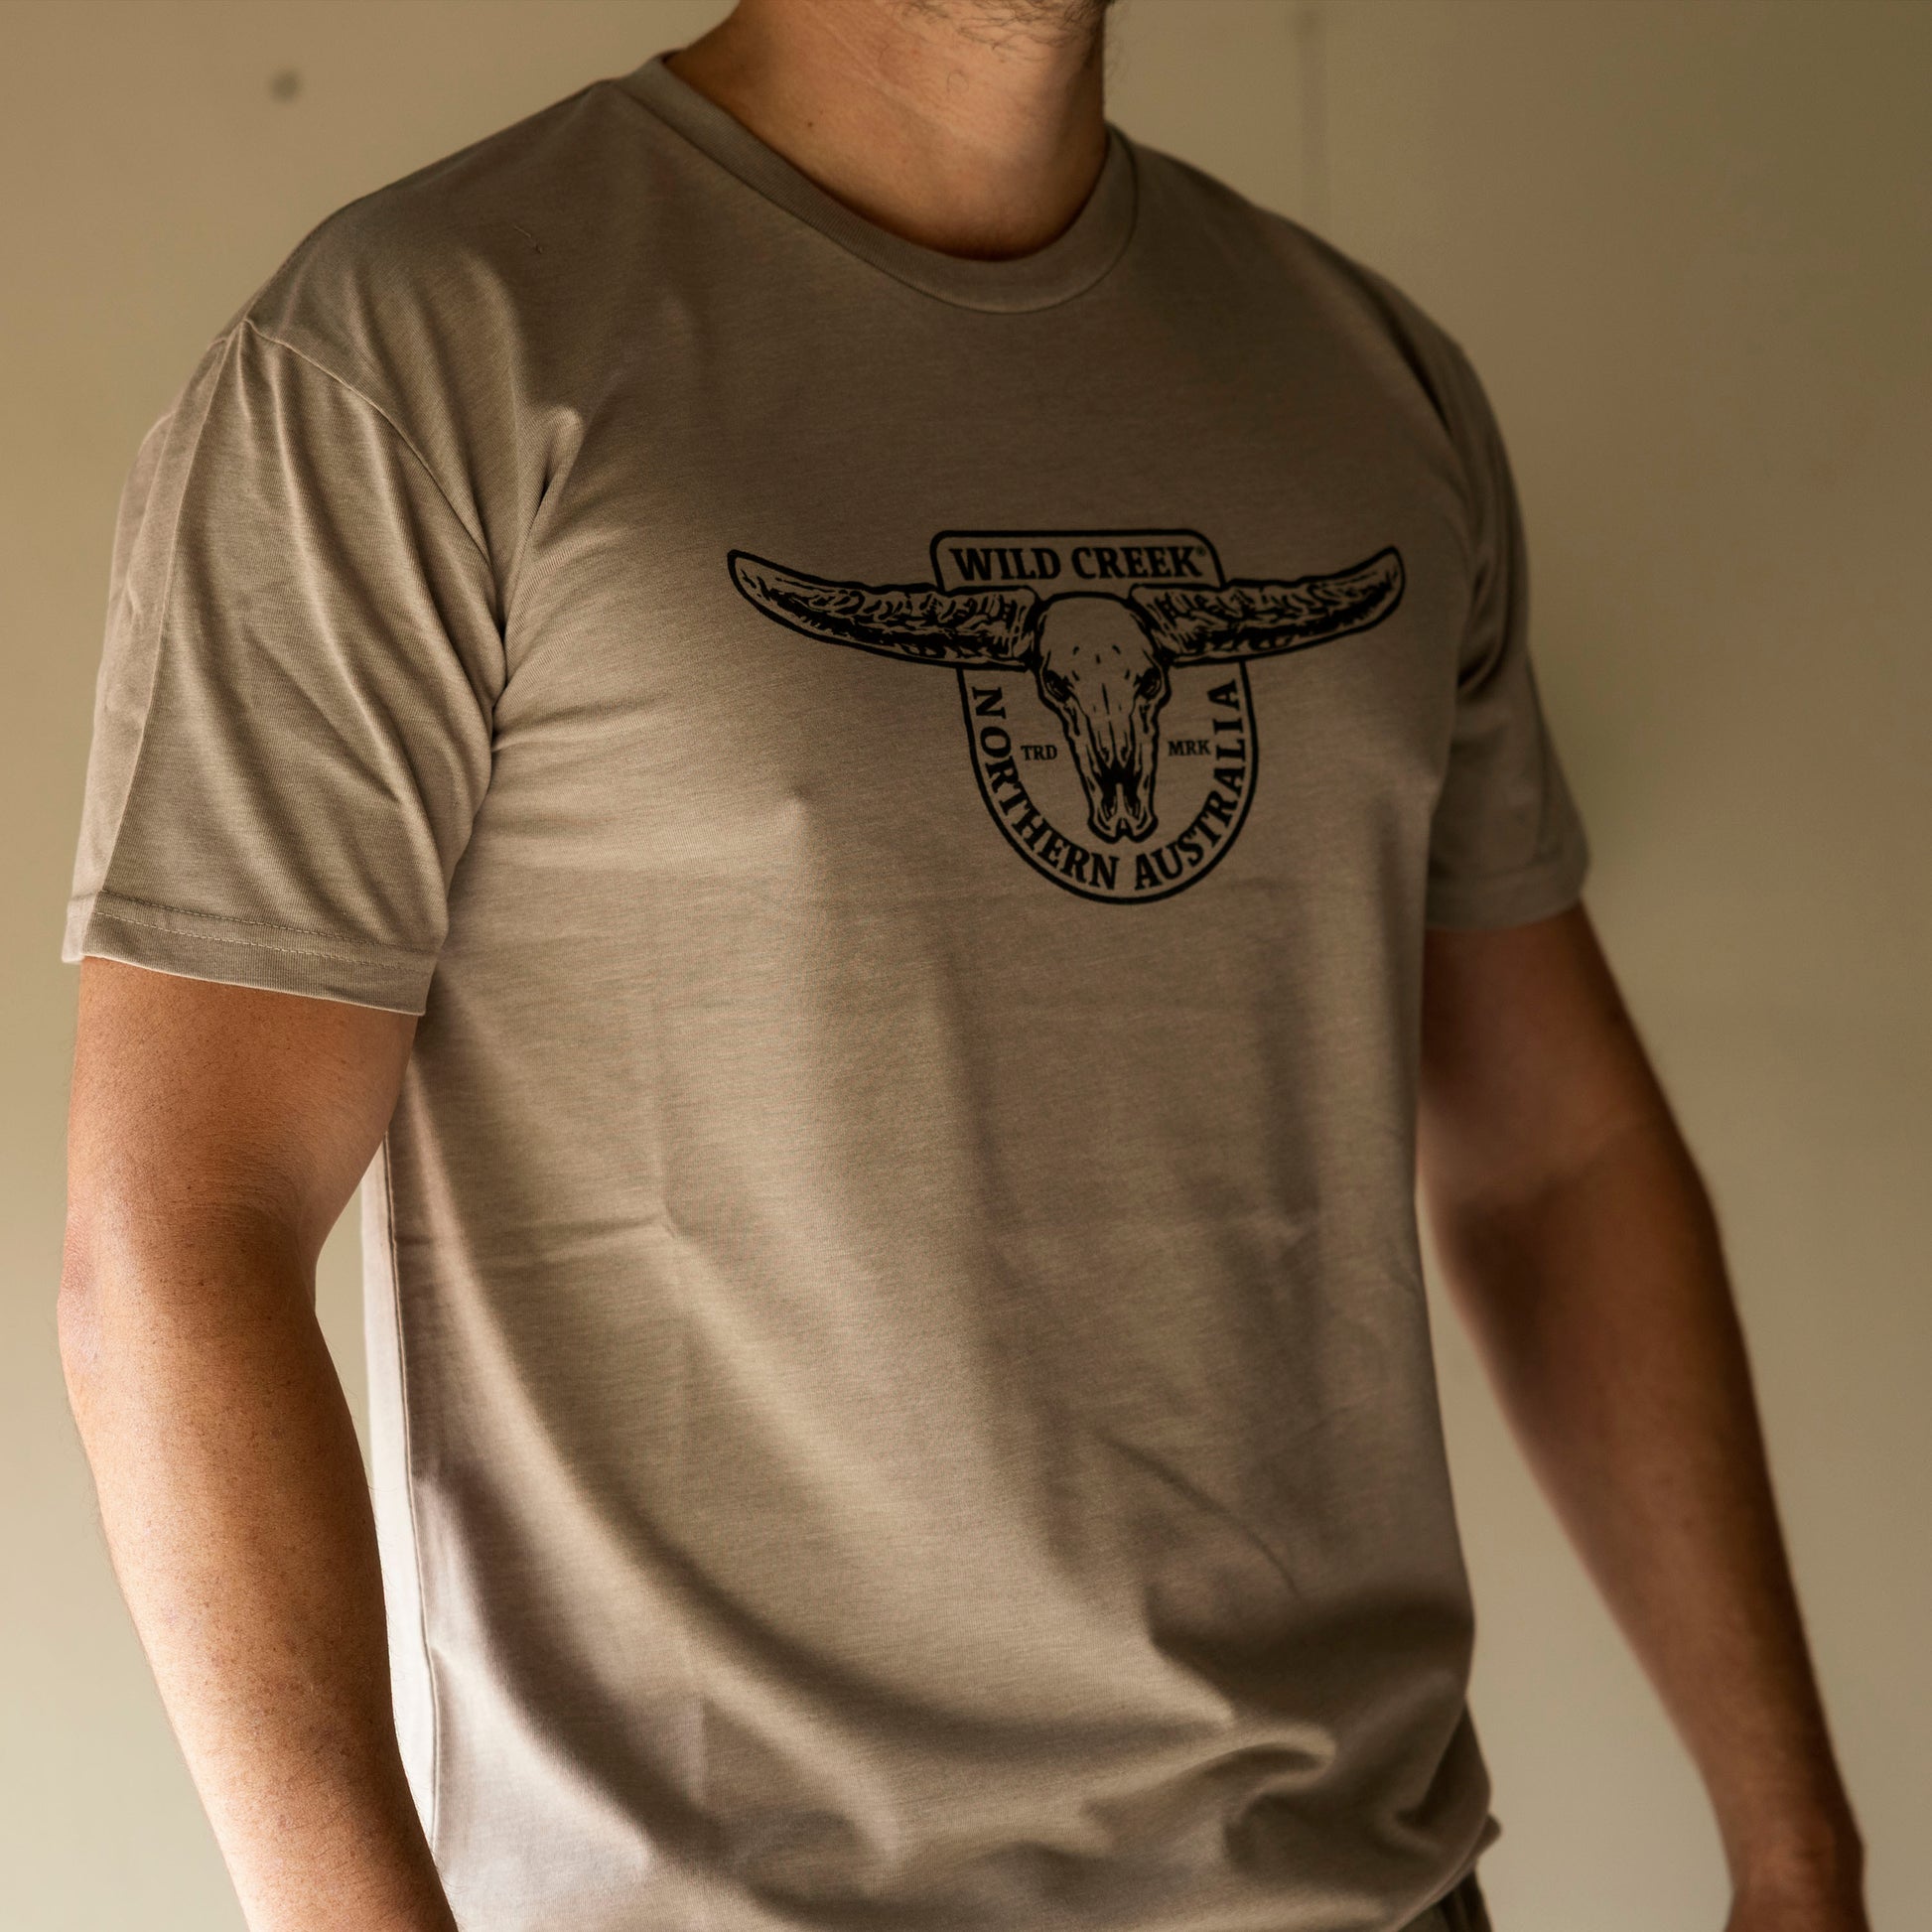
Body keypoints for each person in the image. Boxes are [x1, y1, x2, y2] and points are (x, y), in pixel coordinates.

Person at [57, 1, 1868, 1928]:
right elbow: (178, 1232)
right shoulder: (409, 360)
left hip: (1362, 1888)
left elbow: (1554, 1159)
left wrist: (1796, 1848)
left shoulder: (1367, 384)